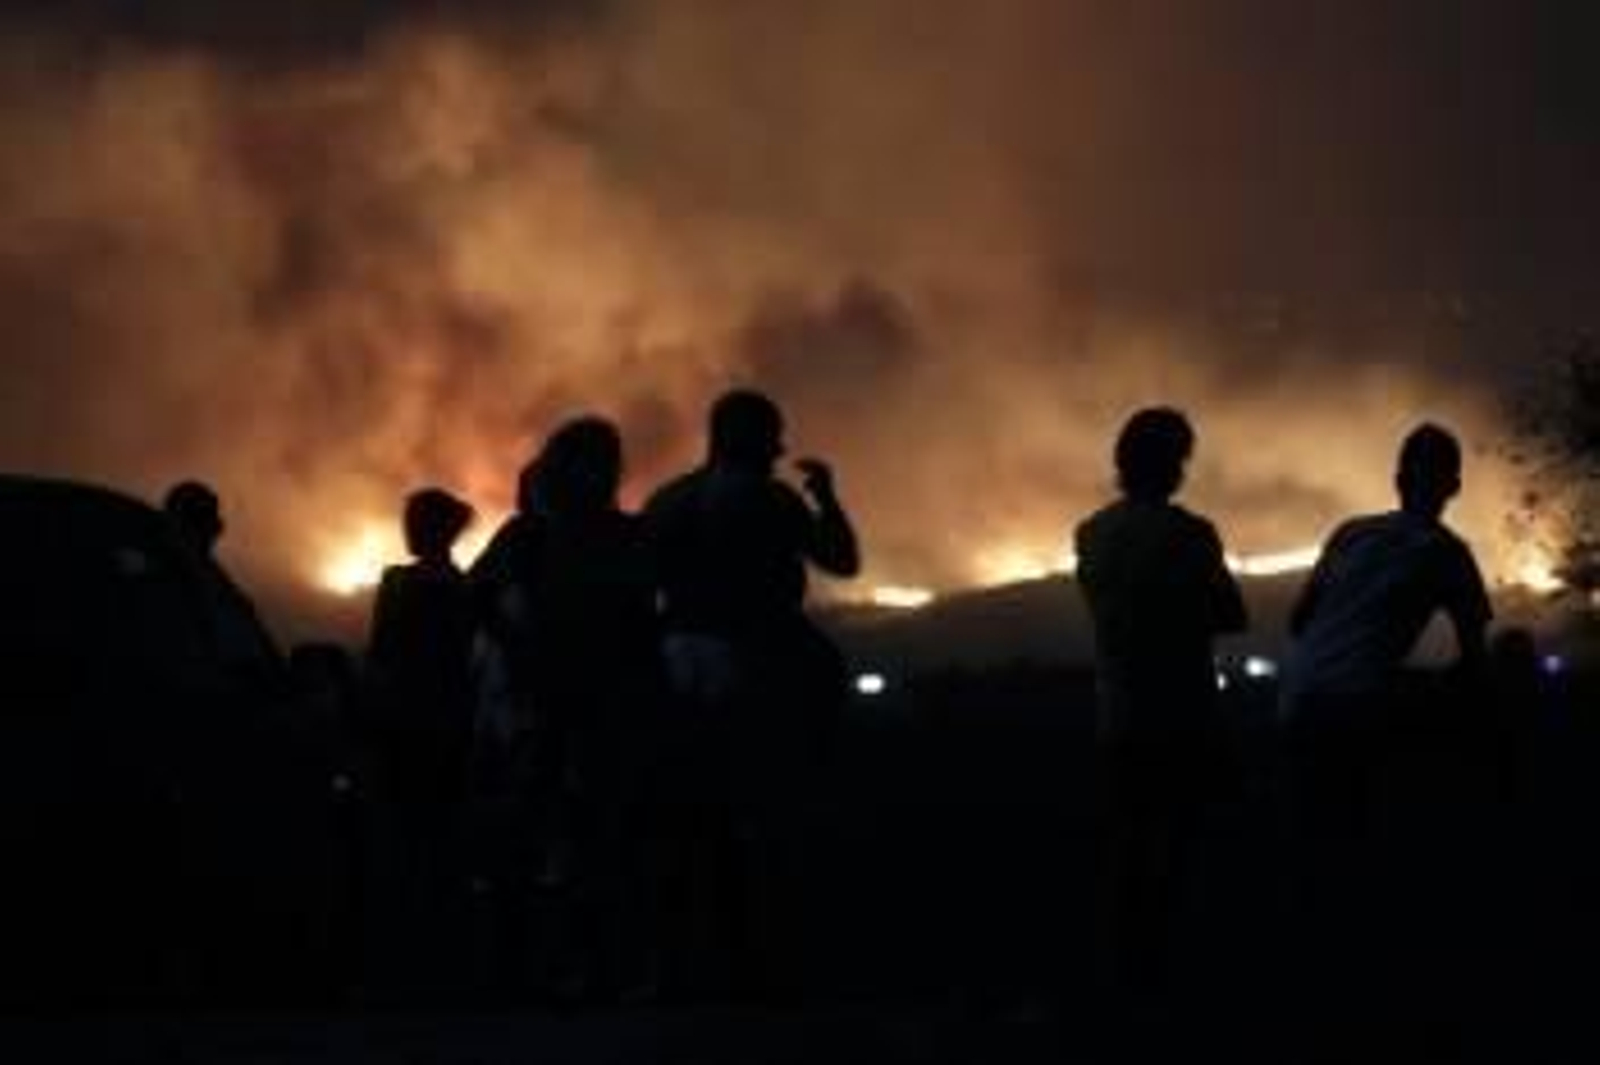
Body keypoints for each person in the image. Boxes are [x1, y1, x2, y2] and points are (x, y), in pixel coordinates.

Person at [643, 388, 861, 996]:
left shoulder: (666, 502)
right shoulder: (770, 500)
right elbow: (841, 561)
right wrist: (827, 499)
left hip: (678, 665)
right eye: (771, 436)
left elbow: (643, 585)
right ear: (750, 438)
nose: (780, 448)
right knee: (769, 810)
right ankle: (763, 957)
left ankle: (689, 955)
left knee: (692, 819)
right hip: (761, 662)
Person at [1278, 423, 1493, 1031]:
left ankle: (1306, 971)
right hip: (1357, 705)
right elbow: (1475, 655)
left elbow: (1298, 622)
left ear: (1396, 480)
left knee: (1311, 834)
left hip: (1297, 698)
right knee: (1361, 834)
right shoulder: (1447, 552)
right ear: (1453, 485)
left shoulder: (1349, 533)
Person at [469, 416, 662, 1000]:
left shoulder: (624, 534)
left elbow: (648, 607)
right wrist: (519, 650)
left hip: (606, 701)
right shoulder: (530, 536)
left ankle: (589, 964)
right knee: (538, 833)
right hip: (553, 701)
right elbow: (476, 598)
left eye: (605, 459)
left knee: (598, 834)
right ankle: (525, 966)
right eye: (589, 459)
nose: (600, 470)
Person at [1073, 407, 1248, 997]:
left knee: (1128, 850)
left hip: (1118, 713)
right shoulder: (1191, 535)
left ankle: (1127, 977)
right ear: (1174, 465)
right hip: (1184, 714)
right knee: (1183, 849)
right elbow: (1232, 614)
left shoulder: (1091, 534)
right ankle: (1177, 982)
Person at [364, 486, 477, 998]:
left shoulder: (399, 584)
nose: (407, 528)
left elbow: (379, 656)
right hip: (448, 721)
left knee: (404, 837)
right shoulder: (465, 589)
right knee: (440, 837)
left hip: (405, 723)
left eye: (414, 519)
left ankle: (402, 958)